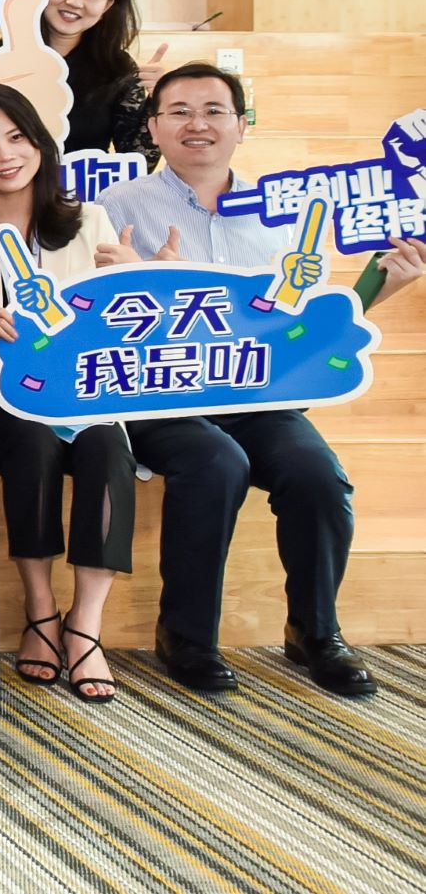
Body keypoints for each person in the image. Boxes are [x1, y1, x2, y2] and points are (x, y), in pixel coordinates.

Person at [98, 63, 400, 699]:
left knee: (318, 475)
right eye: (179, 111)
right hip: (161, 397)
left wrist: (380, 284)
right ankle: (186, 637)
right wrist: (139, 281)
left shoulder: (281, 215)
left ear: (241, 125)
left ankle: (315, 632)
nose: (197, 124)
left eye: (214, 110)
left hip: (258, 394)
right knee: (216, 462)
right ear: (154, 127)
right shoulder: (114, 207)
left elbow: (303, 328)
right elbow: (92, 321)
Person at [0, 83, 137, 702]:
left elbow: (124, 327)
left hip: (85, 394)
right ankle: (41, 609)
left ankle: (86, 626)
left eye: (17, 138)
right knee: (31, 438)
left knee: (108, 448)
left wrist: (131, 282)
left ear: (41, 144)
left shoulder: (88, 222)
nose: (5, 155)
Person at [20, 0, 164, 156]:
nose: (75, 2)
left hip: (85, 179)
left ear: (107, 5)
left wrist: (160, 98)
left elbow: (138, 159)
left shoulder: (117, 68)